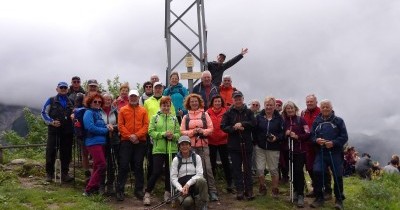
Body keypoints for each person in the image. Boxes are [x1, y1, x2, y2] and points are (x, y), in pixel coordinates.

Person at [310, 100, 348, 210]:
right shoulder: (317, 121)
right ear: (320, 108)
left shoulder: (339, 121)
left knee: (337, 175)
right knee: (317, 171)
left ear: (331, 108)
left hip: (335, 153)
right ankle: (319, 198)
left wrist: (334, 143)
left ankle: (339, 199)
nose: (325, 109)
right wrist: (316, 140)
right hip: (321, 152)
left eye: (327, 107)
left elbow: (344, 137)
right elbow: (312, 136)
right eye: (323, 107)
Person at [180, 93, 219, 201]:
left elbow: (211, 129)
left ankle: (212, 191)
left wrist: (202, 131)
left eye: (196, 101)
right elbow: (182, 131)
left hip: (203, 145)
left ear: (199, 102)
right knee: (193, 170)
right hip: (191, 147)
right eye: (192, 101)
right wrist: (193, 132)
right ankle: (197, 192)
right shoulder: (186, 116)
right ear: (189, 103)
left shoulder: (205, 115)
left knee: (207, 169)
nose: (194, 103)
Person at [143, 96, 181, 206]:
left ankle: (167, 192)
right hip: (158, 149)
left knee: (170, 172)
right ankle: (147, 193)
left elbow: (179, 134)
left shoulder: (174, 119)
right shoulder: (155, 117)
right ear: (161, 106)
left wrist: (173, 136)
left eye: (168, 105)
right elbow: (150, 132)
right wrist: (163, 134)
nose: (166, 107)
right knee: (156, 171)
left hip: (171, 149)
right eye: (164, 105)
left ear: (170, 106)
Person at [221, 91, 256, 200]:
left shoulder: (249, 112)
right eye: (236, 99)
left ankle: (249, 190)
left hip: (247, 145)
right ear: (232, 100)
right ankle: (240, 190)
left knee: (247, 169)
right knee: (236, 169)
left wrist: (243, 124)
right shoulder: (228, 112)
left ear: (243, 99)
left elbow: (254, 123)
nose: (238, 101)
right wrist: (233, 128)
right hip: (233, 146)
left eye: (239, 98)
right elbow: (223, 126)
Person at [116, 89, 149, 201]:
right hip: (126, 141)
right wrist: (130, 136)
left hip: (140, 141)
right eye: (131, 96)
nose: (133, 98)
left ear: (138, 97)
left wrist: (137, 136)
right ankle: (120, 190)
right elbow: (120, 125)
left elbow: (146, 125)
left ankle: (138, 190)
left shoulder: (143, 110)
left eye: (135, 96)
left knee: (138, 165)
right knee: (124, 165)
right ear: (129, 97)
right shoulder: (123, 110)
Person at [41, 81, 74, 183]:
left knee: (66, 153)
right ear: (57, 89)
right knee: (51, 151)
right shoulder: (51, 100)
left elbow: (75, 113)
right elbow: (43, 112)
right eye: (61, 87)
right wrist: (51, 122)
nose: (63, 89)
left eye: (65, 87)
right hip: (54, 130)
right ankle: (49, 174)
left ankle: (64, 174)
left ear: (67, 89)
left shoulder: (71, 102)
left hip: (67, 131)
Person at [301, 94, 332, 199]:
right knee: (310, 167)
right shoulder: (303, 113)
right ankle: (316, 189)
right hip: (307, 144)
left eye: (311, 101)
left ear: (316, 102)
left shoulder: (321, 112)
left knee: (323, 168)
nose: (309, 103)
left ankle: (328, 191)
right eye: (308, 102)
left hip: (320, 145)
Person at [82, 93, 114, 196]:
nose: (97, 103)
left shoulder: (98, 113)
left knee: (97, 166)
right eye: (95, 101)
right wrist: (105, 130)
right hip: (93, 142)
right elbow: (90, 127)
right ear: (90, 102)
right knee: (102, 165)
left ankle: (92, 189)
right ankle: (89, 189)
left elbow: (99, 125)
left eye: (99, 102)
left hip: (101, 143)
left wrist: (107, 125)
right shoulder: (88, 113)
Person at [144, 81, 176, 181]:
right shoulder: (147, 101)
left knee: (166, 160)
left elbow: (173, 116)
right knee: (152, 158)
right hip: (153, 134)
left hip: (167, 135)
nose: (158, 89)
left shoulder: (167, 100)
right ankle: (151, 181)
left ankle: (166, 183)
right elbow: (145, 117)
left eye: (160, 88)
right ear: (153, 89)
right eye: (156, 88)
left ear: (163, 89)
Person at [254, 97, 284, 198]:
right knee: (259, 169)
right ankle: (262, 187)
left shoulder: (279, 118)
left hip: (273, 147)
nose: (269, 107)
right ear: (264, 105)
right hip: (260, 147)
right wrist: (256, 141)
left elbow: (283, 133)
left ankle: (275, 189)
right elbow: (255, 130)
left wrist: (277, 138)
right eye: (267, 104)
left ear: (275, 106)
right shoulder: (259, 117)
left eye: (271, 105)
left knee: (273, 169)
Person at [282, 101, 310, 207]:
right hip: (288, 150)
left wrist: (297, 136)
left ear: (295, 109)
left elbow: (308, 133)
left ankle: (301, 194)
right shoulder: (284, 121)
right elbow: (281, 134)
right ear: (285, 110)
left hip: (300, 151)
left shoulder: (301, 120)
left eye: (291, 108)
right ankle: (295, 190)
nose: (290, 110)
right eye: (287, 108)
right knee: (292, 172)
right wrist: (286, 134)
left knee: (298, 171)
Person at [170, 136, 208, 210]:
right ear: (179, 147)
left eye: (186, 144)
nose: (184, 147)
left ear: (190, 146)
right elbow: (173, 178)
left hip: (194, 185)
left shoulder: (197, 157)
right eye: (182, 145)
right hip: (182, 187)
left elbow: (200, 174)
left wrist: (188, 184)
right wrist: (181, 189)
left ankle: (203, 203)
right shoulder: (176, 160)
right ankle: (192, 200)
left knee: (202, 180)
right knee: (187, 203)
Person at [206, 95, 234, 193]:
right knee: (211, 164)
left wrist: (225, 134)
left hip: (224, 140)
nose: (217, 103)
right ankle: (212, 185)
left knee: (226, 162)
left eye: (219, 101)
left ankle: (230, 183)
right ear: (212, 102)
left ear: (221, 102)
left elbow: (230, 124)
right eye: (215, 101)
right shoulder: (207, 112)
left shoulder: (227, 112)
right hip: (211, 141)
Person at [100, 93, 120, 195]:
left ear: (112, 100)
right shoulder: (98, 111)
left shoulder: (116, 111)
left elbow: (120, 124)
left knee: (111, 162)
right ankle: (101, 185)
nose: (107, 101)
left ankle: (110, 184)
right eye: (105, 99)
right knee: (102, 162)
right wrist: (106, 127)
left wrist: (113, 127)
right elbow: (96, 123)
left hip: (113, 139)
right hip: (101, 139)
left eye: (109, 99)